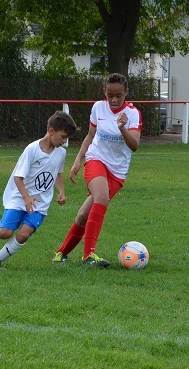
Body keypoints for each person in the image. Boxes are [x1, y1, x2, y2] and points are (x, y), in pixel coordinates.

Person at [53, 73, 142, 266]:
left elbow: (134, 146)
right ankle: (89, 255)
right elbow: (90, 135)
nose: (114, 100)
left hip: (117, 171)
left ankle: (61, 253)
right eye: (110, 95)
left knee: (83, 215)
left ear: (126, 92)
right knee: (101, 197)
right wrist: (78, 159)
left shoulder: (133, 114)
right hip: (96, 159)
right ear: (105, 92)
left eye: (119, 95)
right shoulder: (98, 107)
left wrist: (122, 128)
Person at [0, 111, 77, 271]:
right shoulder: (32, 150)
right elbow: (18, 177)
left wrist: (62, 192)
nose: (64, 141)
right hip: (20, 198)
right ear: (51, 131)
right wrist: (26, 197)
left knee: (23, 234)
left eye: (67, 138)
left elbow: (57, 173)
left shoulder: (61, 153)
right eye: (63, 137)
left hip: (40, 204)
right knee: (5, 233)